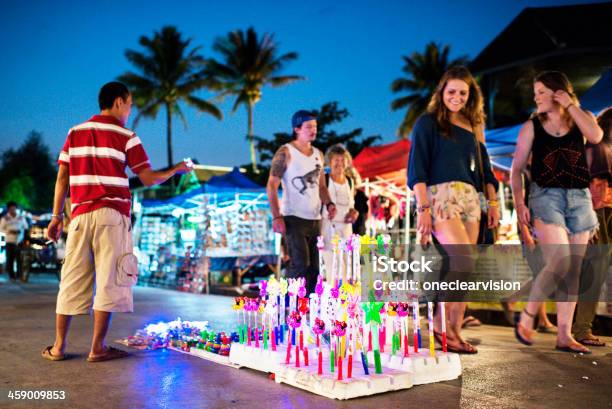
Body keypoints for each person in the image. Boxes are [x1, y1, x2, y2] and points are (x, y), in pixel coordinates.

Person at [42, 81, 193, 362]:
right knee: (110, 280)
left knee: (72, 279)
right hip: (112, 216)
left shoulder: (75, 133)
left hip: (79, 216)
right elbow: (147, 177)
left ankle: (59, 347)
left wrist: (55, 216)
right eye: (130, 103)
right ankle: (97, 348)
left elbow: (62, 178)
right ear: (119, 102)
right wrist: (176, 169)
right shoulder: (126, 135)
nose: (130, 109)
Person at [408, 66, 500, 354]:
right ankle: (441, 326)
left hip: (471, 198)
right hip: (440, 195)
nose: (457, 97)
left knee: (465, 266)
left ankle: (453, 330)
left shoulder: (474, 127)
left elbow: (486, 172)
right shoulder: (428, 122)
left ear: (470, 95)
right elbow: (417, 170)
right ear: (441, 92)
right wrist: (423, 208)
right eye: (451, 91)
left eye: (463, 92)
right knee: (463, 261)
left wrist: (493, 202)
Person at [511, 71, 603, 354]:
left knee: (574, 268)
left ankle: (564, 335)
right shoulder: (531, 127)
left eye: (541, 91)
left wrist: (571, 105)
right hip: (545, 195)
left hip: (579, 196)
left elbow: (596, 135)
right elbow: (515, 170)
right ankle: (529, 315)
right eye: (535, 92)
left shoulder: (580, 117)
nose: (536, 97)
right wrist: (519, 205)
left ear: (557, 92)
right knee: (561, 259)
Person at [266, 110, 336, 293]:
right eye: (308, 127)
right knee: (300, 264)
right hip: (293, 217)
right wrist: (276, 216)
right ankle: (291, 306)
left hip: (314, 218)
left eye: (315, 127)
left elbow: (321, 187)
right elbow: (271, 185)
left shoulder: (319, 155)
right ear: (296, 129)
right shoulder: (285, 152)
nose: (313, 130)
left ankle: (309, 309)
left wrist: (329, 204)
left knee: (314, 268)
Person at [572, 107, 612, 347]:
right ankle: (582, 328)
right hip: (598, 212)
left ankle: (582, 328)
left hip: (602, 211)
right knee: (595, 270)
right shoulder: (596, 147)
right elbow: (594, 186)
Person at [320, 144, 359, 283]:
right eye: (336, 160)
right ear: (329, 162)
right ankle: (334, 299)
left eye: (342, 160)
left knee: (347, 266)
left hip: (346, 229)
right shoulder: (324, 178)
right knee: (333, 266)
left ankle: (346, 299)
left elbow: (351, 205)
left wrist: (354, 213)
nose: (339, 164)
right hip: (329, 228)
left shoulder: (350, 181)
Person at [0, 201, 29, 281]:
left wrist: (24, 235)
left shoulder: (21, 217)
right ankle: (12, 276)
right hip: (9, 241)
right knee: (10, 259)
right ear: (8, 209)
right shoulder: (5, 218)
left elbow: (26, 227)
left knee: (19, 258)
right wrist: (9, 231)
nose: (13, 210)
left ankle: (19, 275)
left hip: (19, 241)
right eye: (11, 208)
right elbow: (1, 229)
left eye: (14, 208)